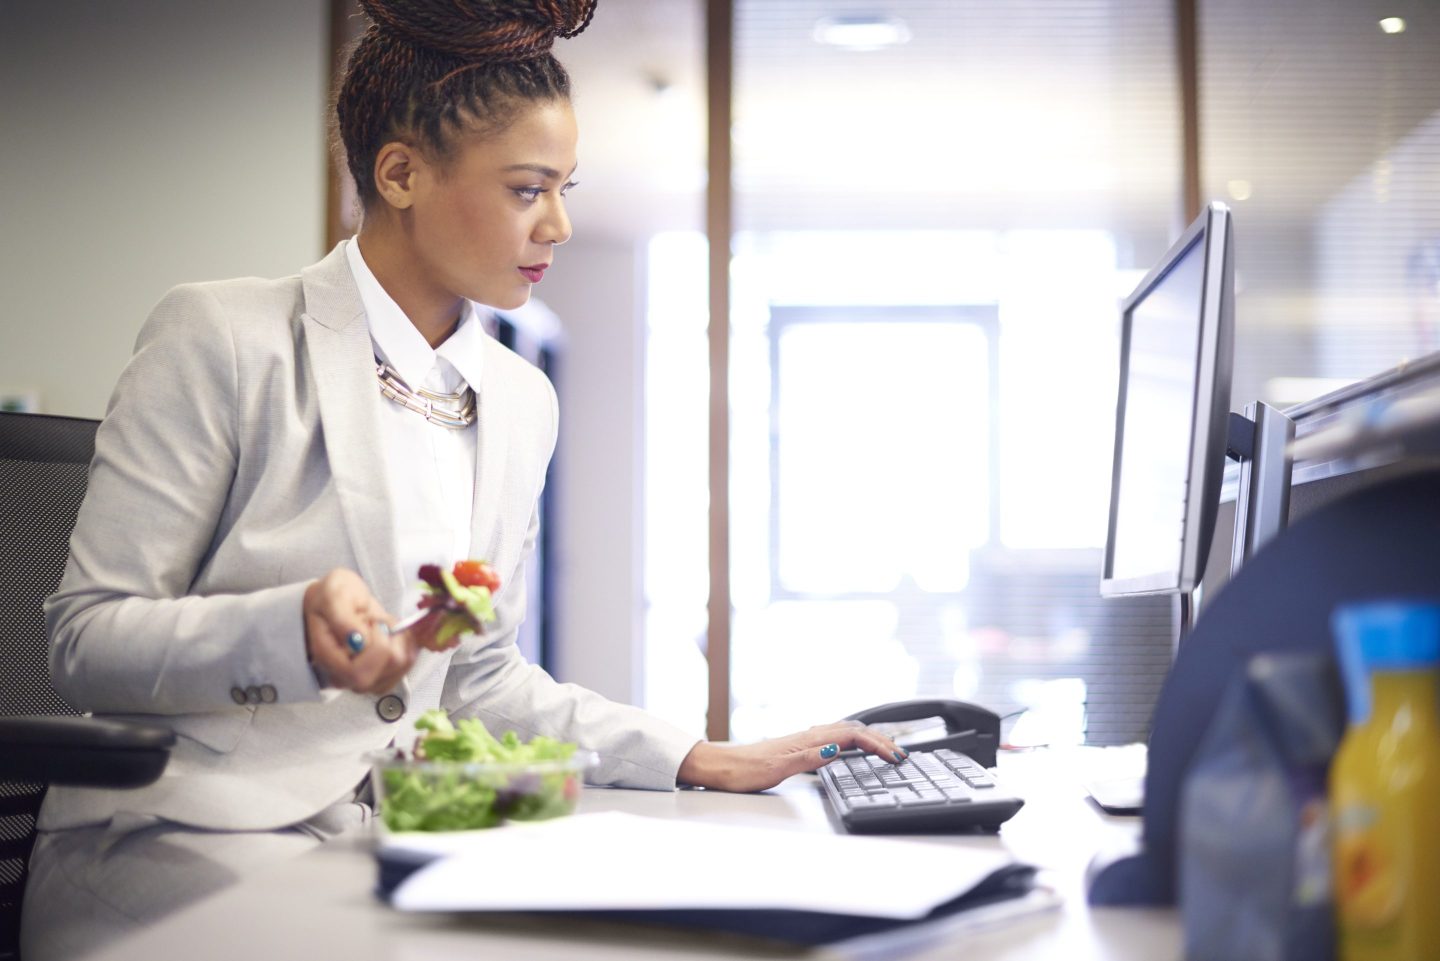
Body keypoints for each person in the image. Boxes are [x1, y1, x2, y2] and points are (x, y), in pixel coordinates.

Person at [20, 2, 904, 957]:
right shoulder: (226, 340)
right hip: (177, 844)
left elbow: (479, 673)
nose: (559, 224)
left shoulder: (518, 399)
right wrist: (290, 633)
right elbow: (87, 637)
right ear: (400, 173)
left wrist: (691, 754)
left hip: (390, 838)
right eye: (529, 189)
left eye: (566, 187)